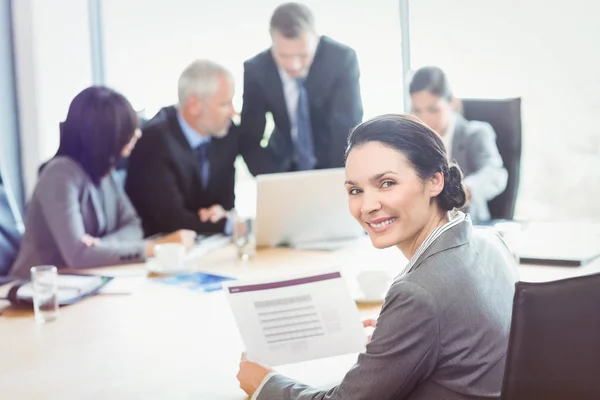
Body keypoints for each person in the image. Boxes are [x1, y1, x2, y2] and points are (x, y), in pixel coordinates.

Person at [236, 114, 518, 399]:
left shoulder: (418, 294)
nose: (368, 206)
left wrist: (263, 383)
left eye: (386, 183)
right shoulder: (490, 241)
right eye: (355, 190)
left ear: (434, 181)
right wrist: (397, 333)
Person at [10, 86, 195, 279]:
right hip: (38, 293)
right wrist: (152, 248)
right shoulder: (59, 175)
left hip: (84, 281)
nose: (138, 134)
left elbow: (133, 226)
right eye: (128, 128)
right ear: (103, 134)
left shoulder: (104, 172)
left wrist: (101, 246)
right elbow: (78, 256)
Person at [125, 60, 264, 237]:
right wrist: (227, 224)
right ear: (194, 105)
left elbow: (226, 201)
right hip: (162, 248)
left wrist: (220, 212)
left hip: (206, 243)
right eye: (224, 104)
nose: (233, 112)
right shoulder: (155, 141)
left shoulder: (226, 135)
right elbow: (170, 220)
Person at [240, 2, 363, 174]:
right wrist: (269, 178)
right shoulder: (256, 70)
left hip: (334, 162)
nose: (294, 66)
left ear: (316, 38)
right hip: (282, 167)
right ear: (272, 40)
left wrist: (339, 178)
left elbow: (346, 126)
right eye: (284, 56)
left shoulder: (341, 60)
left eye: (303, 55)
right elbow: (249, 137)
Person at [409, 66, 508, 223]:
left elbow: (495, 174)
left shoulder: (475, 133)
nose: (425, 119)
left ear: (452, 102)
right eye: (417, 111)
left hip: (469, 225)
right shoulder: (413, 140)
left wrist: (463, 190)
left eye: (433, 110)